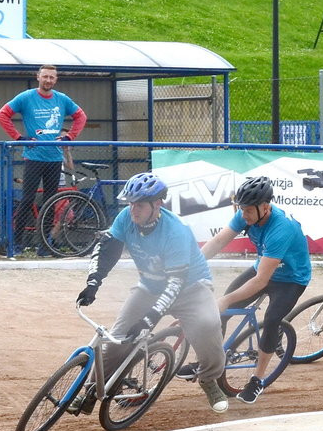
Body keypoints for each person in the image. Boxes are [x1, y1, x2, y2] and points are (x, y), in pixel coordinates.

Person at [75, 172, 229, 413]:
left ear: (157, 204)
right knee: (116, 341)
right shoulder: (126, 218)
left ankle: (209, 379)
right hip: (151, 286)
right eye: (131, 203)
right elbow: (108, 251)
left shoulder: (176, 231)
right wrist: (94, 282)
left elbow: (176, 282)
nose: (133, 209)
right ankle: (93, 389)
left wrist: (149, 318)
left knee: (208, 325)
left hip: (191, 289)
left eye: (140, 204)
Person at [177, 176, 311, 404]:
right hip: (264, 268)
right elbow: (219, 241)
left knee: (271, 320)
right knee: (220, 311)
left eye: (248, 210)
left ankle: (257, 379)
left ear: (265, 207)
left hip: (291, 278)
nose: (244, 214)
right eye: (241, 209)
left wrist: (227, 300)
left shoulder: (282, 229)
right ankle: (209, 361)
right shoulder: (247, 213)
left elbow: (261, 281)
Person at [0, 65, 87, 253]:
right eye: (45, 76)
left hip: (54, 158)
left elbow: (81, 116)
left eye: (52, 77)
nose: (48, 80)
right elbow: (2, 115)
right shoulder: (26, 97)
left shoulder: (62, 99)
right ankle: (17, 243)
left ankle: (44, 245)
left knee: (50, 202)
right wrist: (19, 138)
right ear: (38, 77)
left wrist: (70, 137)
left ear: (56, 79)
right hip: (34, 157)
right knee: (27, 199)